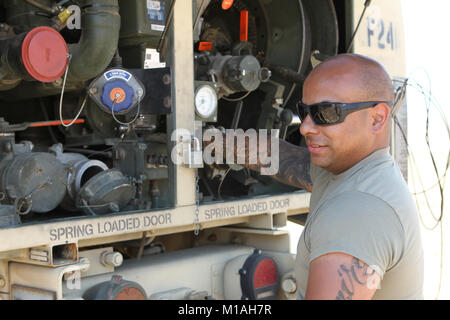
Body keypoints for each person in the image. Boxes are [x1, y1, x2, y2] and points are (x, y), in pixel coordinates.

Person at [217, 53, 424, 299]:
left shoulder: (356, 214)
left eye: (326, 112)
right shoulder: (360, 171)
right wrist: (213, 143)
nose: (305, 127)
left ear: (377, 118)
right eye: (304, 111)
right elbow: (288, 161)